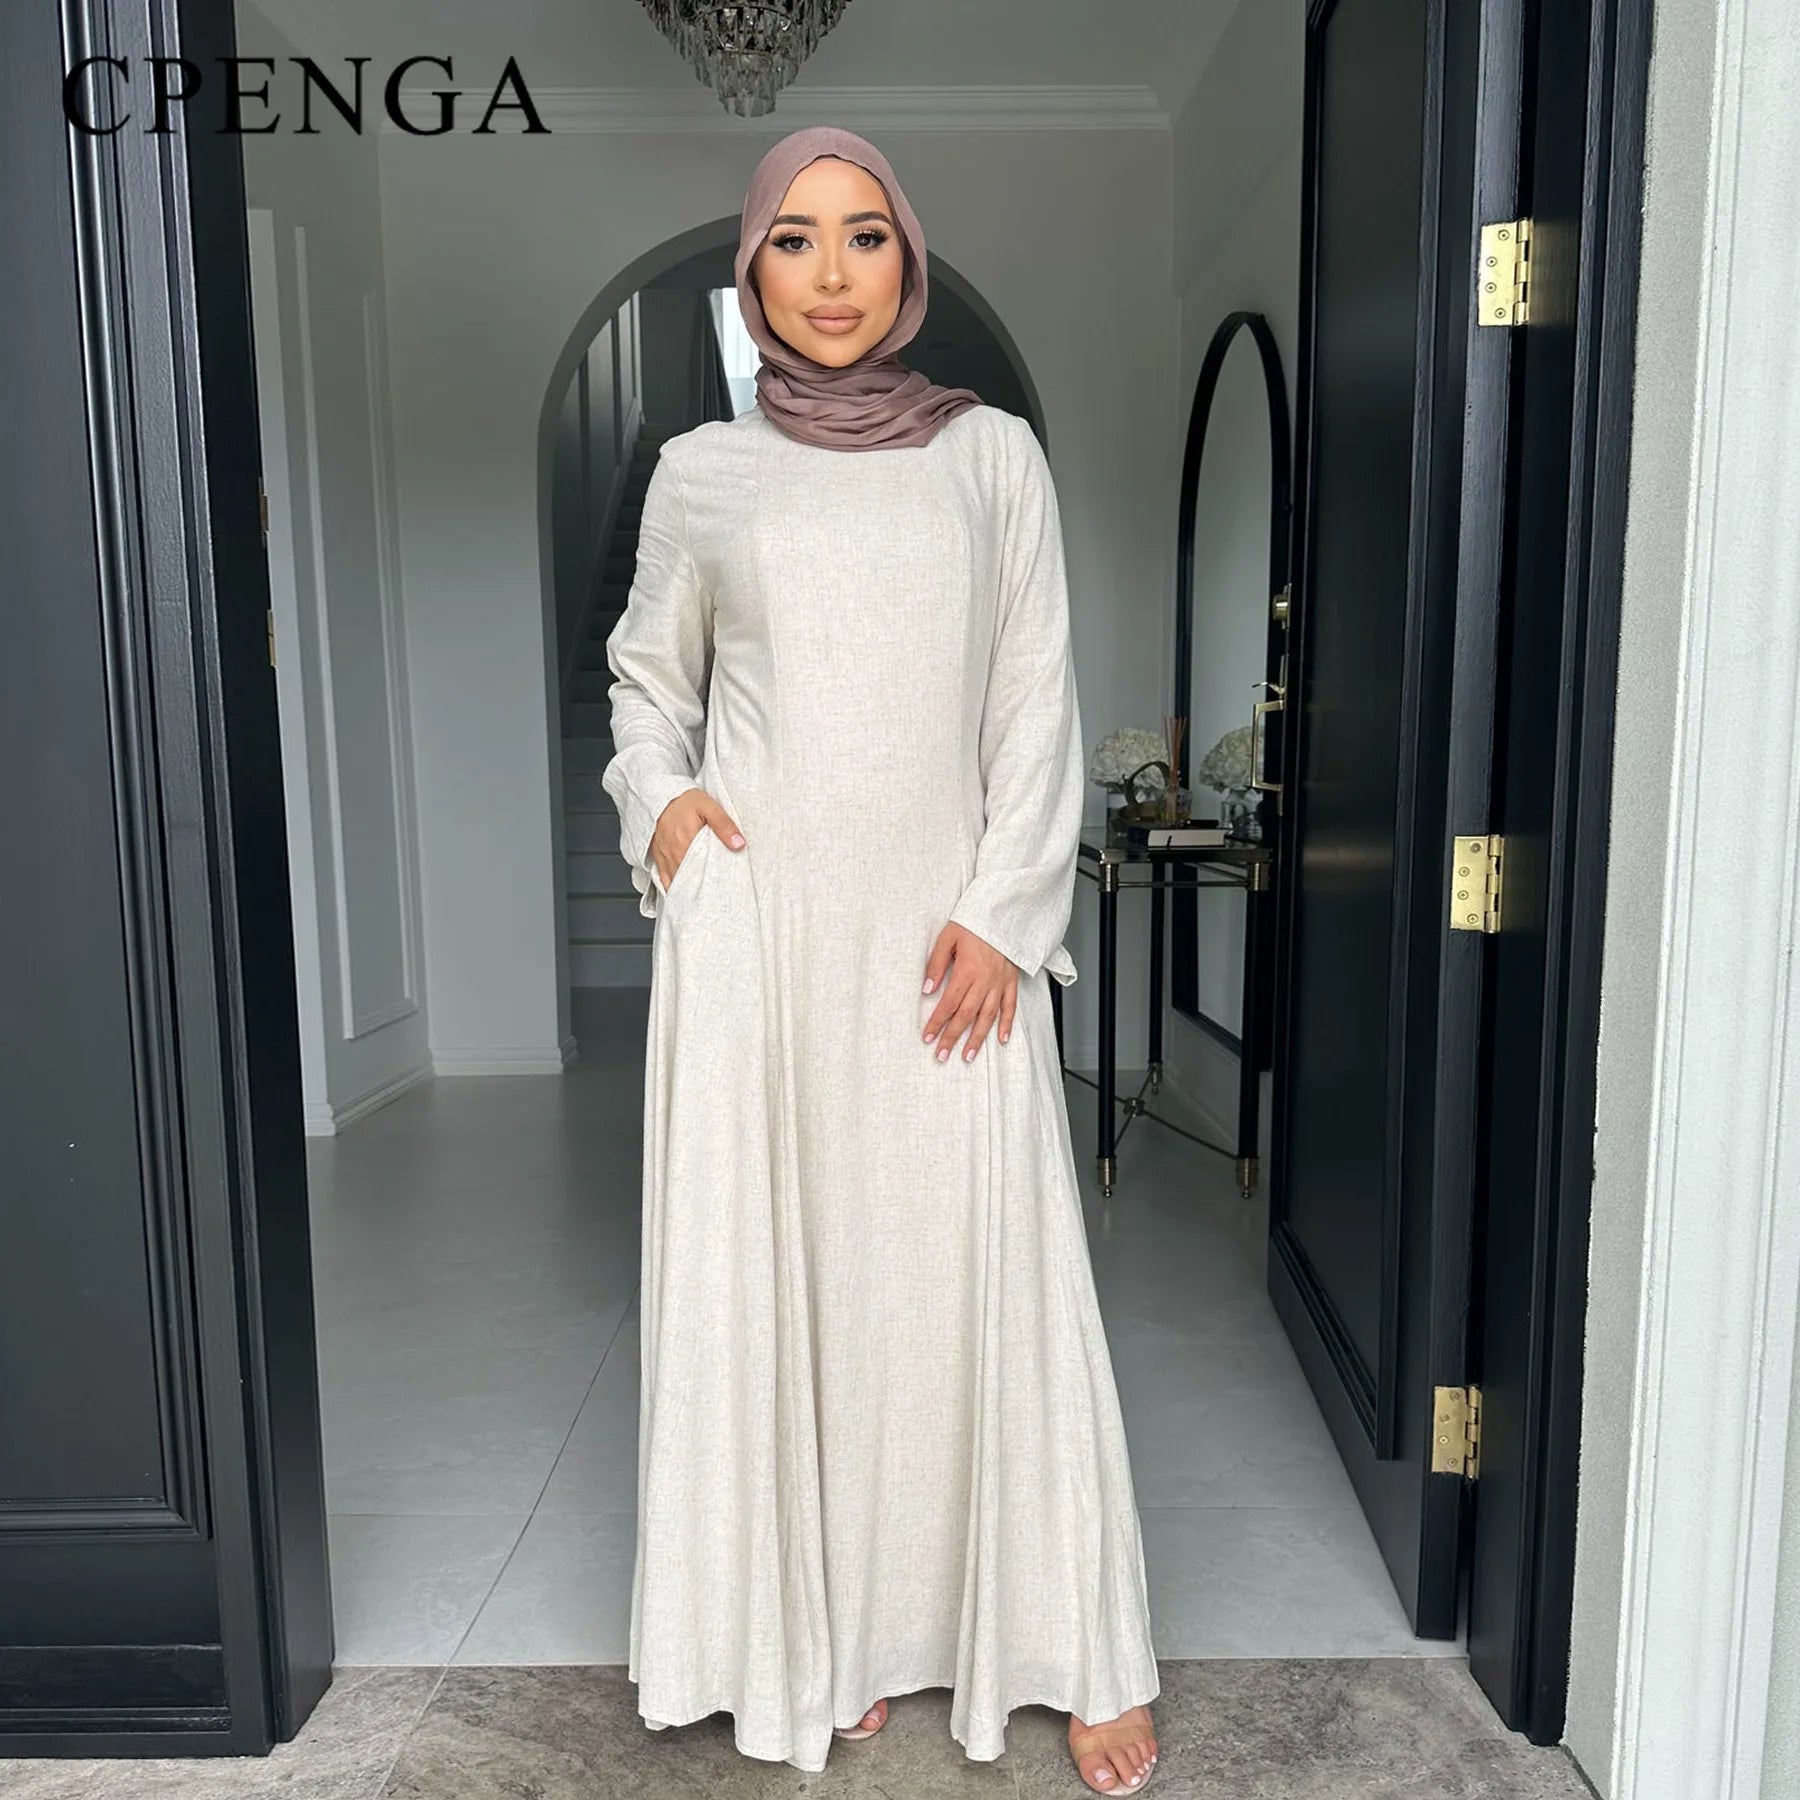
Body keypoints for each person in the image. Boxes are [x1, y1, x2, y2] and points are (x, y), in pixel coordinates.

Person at [600, 124, 1161, 1795]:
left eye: (863, 236)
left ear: (909, 260)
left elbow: (1036, 696)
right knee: (813, 1284)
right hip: (767, 953)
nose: (831, 274)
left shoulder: (991, 458)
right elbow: (646, 684)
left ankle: (1068, 1643)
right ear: (753, 268)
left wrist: (1007, 911)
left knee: (985, 1274)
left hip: (946, 950)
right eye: (794, 239)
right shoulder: (701, 473)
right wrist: (667, 811)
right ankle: (826, 1630)